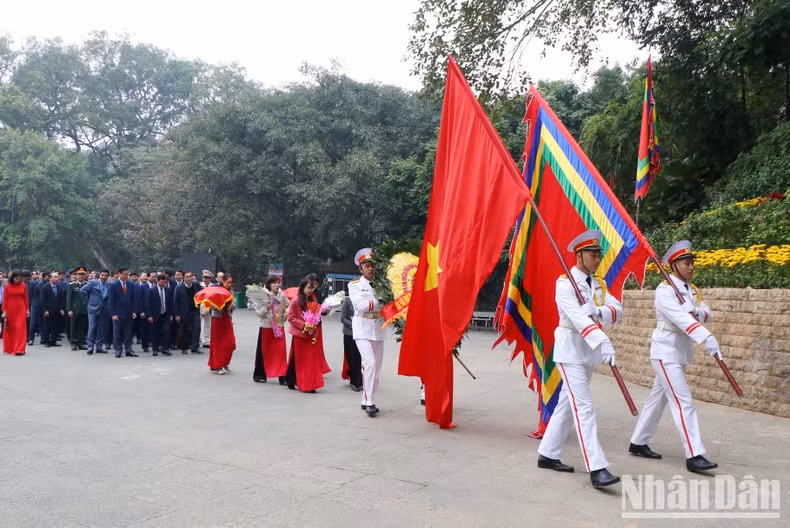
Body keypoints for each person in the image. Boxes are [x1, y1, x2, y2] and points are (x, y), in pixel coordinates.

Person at [536, 230, 623, 489]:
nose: (597, 259)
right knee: (583, 407)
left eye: (598, 255)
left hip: (587, 350)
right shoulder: (564, 283)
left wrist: (599, 309)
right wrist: (602, 340)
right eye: (592, 255)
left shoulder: (598, 285)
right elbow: (576, 317)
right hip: (570, 349)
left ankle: (548, 453)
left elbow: (618, 310)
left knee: (567, 402)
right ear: (579, 256)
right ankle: (597, 468)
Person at [629, 240, 720, 473]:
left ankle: (638, 442)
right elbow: (681, 320)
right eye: (686, 263)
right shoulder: (665, 291)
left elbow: (706, 313)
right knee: (683, 401)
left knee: (657, 399)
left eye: (692, 263)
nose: (691, 267)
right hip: (665, 351)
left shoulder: (691, 290)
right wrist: (705, 337)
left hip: (679, 352)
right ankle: (694, 454)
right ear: (674, 265)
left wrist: (696, 311)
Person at [348, 248, 384, 416]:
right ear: (360, 269)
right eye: (367, 266)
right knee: (369, 363)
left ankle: (367, 398)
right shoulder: (354, 285)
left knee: (376, 367)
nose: (371, 269)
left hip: (378, 328)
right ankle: (370, 401)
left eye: (373, 266)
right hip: (362, 328)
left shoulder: (382, 284)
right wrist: (379, 299)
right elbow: (360, 306)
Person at [285, 277, 331, 392]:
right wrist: (303, 324)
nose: (311, 290)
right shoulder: (295, 301)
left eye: (312, 288)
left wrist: (324, 310)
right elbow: (291, 318)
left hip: (311, 334)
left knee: (310, 361)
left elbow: (316, 315)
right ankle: (301, 382)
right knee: (300, 360)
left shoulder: (313, 301)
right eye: (309, 288)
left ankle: (309, 383)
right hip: (300, 336)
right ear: (302, 288)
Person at [253, 275, 290, 384]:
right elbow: (258, 312)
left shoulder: (282, 295)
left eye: (279, 282)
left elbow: (289, 305)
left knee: (281, 352)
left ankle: (282, 376)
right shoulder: (263, 295)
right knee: (264, 352)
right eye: (275, 283)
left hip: (279, 326)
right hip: (266, 327)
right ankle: (260, 374)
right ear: (269, 284)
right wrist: (267, 307)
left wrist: (286, 314)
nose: (277, 285)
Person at [107, 267, 138, 358]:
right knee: (117, 333)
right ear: (119, 274)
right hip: (118, 314)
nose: (127, 276)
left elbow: (134, 299)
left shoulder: (130, 284)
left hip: (129, 313)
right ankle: (118, 350)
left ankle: (129, 350)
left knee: (128, 333)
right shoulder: (113, 285)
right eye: (125, 274)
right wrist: (113, 314)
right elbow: (111, 301)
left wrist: (134, 311)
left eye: (127, 274)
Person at [208, 275, 236, 374]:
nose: (229, 284)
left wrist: (230, 305)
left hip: (227, 318)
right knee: (218, 344)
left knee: (231, 343)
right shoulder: (216, 290)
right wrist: (221, 304)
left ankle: (225, 362)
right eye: (228, 282)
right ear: (223, 281)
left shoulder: (231, 292)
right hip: (217, 319)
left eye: (231, 282)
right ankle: (218, 365)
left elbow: (234, 306)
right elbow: (211, 306)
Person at [81, 269, 110, 354]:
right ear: (99, 275)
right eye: (102, 275)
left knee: (101, 329)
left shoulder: (110, 285)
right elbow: (82, 291)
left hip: (104, 309)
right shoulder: (93, 283)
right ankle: (90, 347)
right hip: (92, 309)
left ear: (108, 276)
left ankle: (99, 347)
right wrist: (88, 302)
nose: (104, 277)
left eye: (105, 275)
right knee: (92, 328)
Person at [174, 271, 203, 354]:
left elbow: (203, 291)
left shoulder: (196, 285)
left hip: (195, 311)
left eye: (190, 276)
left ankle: (195, 347)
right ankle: (184, 347)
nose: (189, 278)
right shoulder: (179, 288)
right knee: (184, 330)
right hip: (184, 312)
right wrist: (177, 314)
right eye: (187, 277)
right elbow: (175, 302)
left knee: (197, 328)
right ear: (184, 278)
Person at [2, 270, 30, 355]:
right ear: (12, 278)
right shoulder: (7, 286)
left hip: (21, 308)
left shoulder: (23, 285)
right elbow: (4, 299)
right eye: (16, 278)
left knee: (20, 328)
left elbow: (26, 298)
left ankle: (20, 349)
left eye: (19, 278)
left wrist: (27, 310)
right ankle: (10, 347)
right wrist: (4, 311)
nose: (18, 280)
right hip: (10, 308)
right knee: (11, 328)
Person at [340, 295, 363, 392]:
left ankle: (359, 380)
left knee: (359, 358)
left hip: (361, 334)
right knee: (352, 358)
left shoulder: (363, 301)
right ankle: (355, 382)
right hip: (349, 334)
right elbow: (343, 318)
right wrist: (354, 325)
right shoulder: (347, 301)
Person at [146, 274, 173, 357]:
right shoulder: (151, 290)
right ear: (158, 281)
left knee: (166, 331)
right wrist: (149, 315)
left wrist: (171, 314)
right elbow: (148, 304)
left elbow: (171, 303)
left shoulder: (168, 290)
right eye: (162, 282)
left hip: (165, 314)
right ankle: (155, 349)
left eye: (165, 282)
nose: (163, 284)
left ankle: (165, 349)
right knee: (155, 333)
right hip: (155, 315)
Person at [39, 271, 66, 347]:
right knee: (47, 326)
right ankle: (46, 341)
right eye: (54, 277)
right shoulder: (45, 287)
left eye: (57, 277)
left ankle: (53, 341)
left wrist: (62, 309)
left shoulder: (59, 287)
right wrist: (45, 310)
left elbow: (62, 300)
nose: (56, 279)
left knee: (55, 326)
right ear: (50, 278)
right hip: (48, 310)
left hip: (57, 310)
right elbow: (42, 300)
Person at [66, 267, 90, 351]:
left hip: (85, 309)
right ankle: (74, 342)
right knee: (74, 326)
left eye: (83, 274)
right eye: (79, 274)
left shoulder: (87, 284)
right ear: (76, 275)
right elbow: (69, 298)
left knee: (83, 326)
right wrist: (69, 309)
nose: (81, 276)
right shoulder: (72, 285)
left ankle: (81, 342)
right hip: (75, 309)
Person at [199, 270, 214, 347]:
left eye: (207, 277)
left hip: (209, 307)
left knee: (208, 325)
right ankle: (198, 340)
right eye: (204, 277)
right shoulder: (199, 285)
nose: (205, 279)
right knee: (198, 325)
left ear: (210, 278)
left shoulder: (213, 286)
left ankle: (206, 341)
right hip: (200, 307)